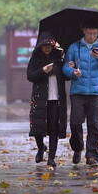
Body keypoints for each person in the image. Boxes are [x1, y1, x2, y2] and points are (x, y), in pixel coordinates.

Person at [62, 21, 98, 165]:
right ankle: (78, 148)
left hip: (96, 92)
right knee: (75, 123)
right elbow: (65, 66)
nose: (92, 36)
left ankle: (92, 155)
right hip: (78, 91)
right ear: (84, 31)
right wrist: (73, 72)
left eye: (95, 34)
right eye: (89, 33)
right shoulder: (74, 47)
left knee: (94, 124)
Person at [27, 32, 68, 167]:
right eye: (44, 46)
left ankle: (51, 158)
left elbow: (66, 76)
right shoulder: (36, 58)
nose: (47, 49)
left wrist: (70, 67)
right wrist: (43, 71)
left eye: (49, 46)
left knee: (54, 129)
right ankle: (40, 148)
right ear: (40, 47)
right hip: (40, 99)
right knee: (38, 128)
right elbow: (30, 76)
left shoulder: (59, 58)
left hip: (56, 99)